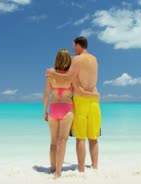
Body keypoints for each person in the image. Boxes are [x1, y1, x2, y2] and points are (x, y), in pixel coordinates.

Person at [46, 36, 101, 173]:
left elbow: (69, 78)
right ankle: (94, 168)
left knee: (80, 137)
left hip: (81, 100)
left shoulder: (76, 59)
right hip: (94, 100)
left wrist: (52, 73)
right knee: (93, 137)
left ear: (78, 45)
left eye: (73, 46)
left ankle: (81, 170)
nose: (72, 49)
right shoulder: (94, 60)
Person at [43, 49, 74, 178]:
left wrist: (44, 111)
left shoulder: (50, 74)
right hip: (67, 108)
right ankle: (58, 172)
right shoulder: (71, 75)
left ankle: (52, 167)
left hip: (53, 108)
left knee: (53, 142)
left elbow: (46, 94)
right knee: (62, 141)